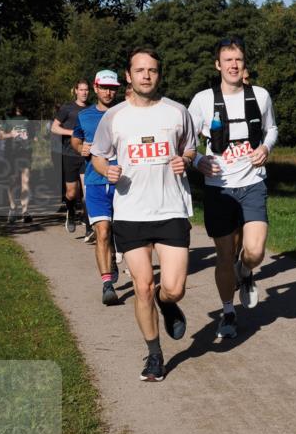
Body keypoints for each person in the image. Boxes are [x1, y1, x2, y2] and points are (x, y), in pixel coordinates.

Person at [90, 47, 197, 381]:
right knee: (143, 287)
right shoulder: (114, 117)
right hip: (130, 212)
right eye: (140, 70)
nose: (146, 75)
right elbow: (97, 155)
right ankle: (154, 354)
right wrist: (105, 169)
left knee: (174, 288)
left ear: (158, 74)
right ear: (129, 76)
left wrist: (186, 159)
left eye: (152, 70)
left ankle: (168, 304)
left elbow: (191, 147)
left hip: (171, 209)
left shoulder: (177, 112)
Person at [188, 36, 278, 340]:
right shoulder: (202, 100)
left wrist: (265, 148)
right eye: (228, 60)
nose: (234, 65)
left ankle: (246, 270)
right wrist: (198, 160)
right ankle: (228, 312)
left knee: (255, 251)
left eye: (238, 59)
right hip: (219, 187)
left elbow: (272, 129)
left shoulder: (260, 96)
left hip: (253, 182)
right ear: (218, 65)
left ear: (244, 63)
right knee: (224, 255)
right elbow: (185, 140)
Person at [71, 70, 122, 304]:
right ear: (95, 88)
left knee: (118, 231)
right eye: (104, 87)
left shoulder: (126, 113)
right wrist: (79, 147)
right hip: (95, 181)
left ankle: (114, 253)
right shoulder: (85, 116)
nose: (108, 92)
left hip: (123, 182)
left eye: (112, 88)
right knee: (102, 231)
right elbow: (76, 139)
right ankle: (107, 284)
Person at [51, 80, 90, 234]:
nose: (84, 93)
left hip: (86, 155)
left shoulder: (92, 108)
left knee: (87, 192)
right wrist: (72, 133)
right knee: (72, 192)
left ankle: (89, 226)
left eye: (86, 90)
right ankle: (71, 212)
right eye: (81, 90)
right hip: (69, 154)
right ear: (75, 91)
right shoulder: (67, 108)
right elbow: (54, 128)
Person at [0, 99, 33, 223]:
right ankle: (12, 208)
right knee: (12, 181)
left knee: (26, 181)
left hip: (25, 153)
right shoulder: (7, 117)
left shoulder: (28, 117)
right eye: (19, 103)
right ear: (15, 104)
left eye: (23, 102)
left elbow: (32, 134)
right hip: (11, 154)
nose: (21, 105)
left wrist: (29, 138)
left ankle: (25, 212)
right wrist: (10, 135)